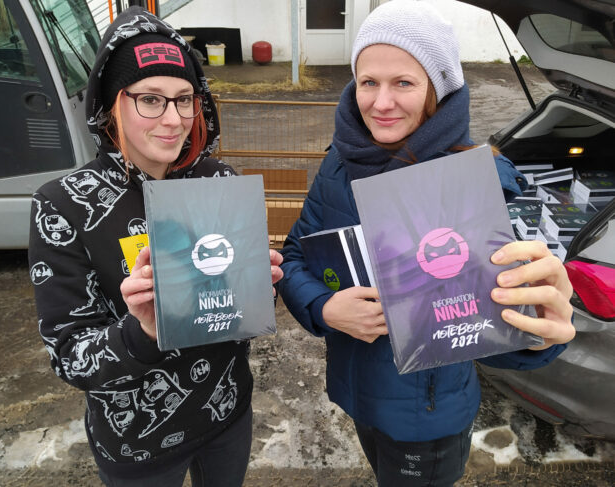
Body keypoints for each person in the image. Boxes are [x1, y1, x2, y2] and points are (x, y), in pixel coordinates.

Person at [277, 1, 575, 486]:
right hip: (357, 394)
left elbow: (498, 327)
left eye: (403, 83)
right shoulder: (340, 161)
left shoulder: (472, 182)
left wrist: (542, 331)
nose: (381, 102)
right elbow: (295, 255)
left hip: (426, 420)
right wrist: (324, 307)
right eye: (368, 82)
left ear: (438, 90)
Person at [28, 7, 282, 486]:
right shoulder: (64, 205)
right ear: (112, 104)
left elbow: (238, 315)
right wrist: (142, 330)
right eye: (150, 100)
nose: (173, 120)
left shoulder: (218, 182)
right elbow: (69, 355)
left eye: (184, 100)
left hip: (226, 414)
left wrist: (259, 288)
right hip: (137, 442)